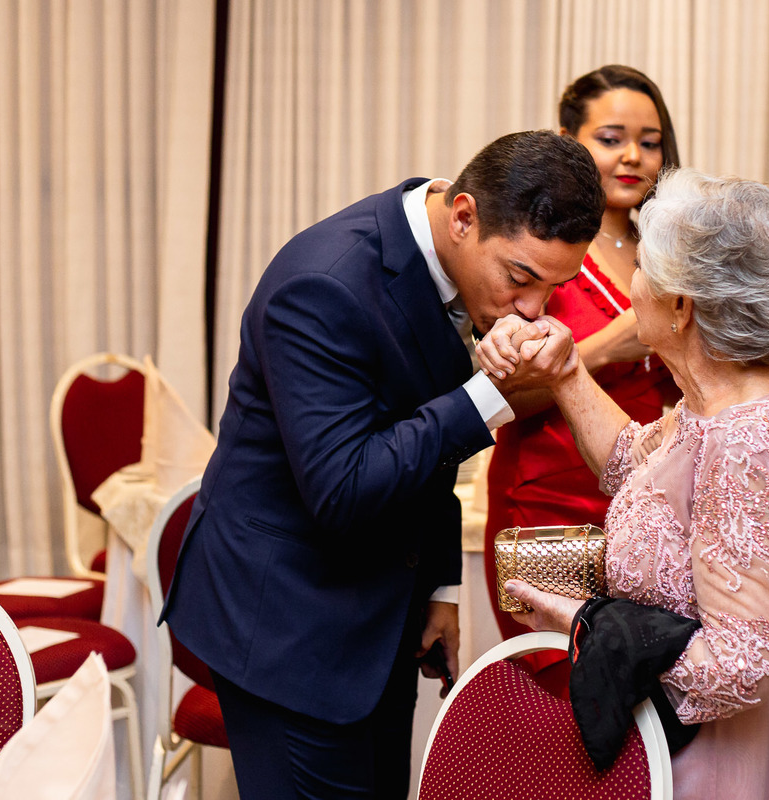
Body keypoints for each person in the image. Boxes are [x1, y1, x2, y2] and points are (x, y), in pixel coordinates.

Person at [159, 130, 604, 799]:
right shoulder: (324, 285)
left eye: (554, 288)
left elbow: (417, 440)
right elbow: (342, 487)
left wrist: (440, 586)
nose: (533, 309)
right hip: (287, 621)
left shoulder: (448, 262)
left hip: (383, 615)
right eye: (520, 278)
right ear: (462, 217)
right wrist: (487, 394)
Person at [477, 168, 769, 798]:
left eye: (644, 268)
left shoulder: (741, 448)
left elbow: (743, 663)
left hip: (724, 757)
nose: (631, 283)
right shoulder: (745, 392)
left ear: (682, 307)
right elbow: (636, 466)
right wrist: (569, 371)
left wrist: (592, 625)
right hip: (736, 736)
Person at [483, 65, 682, 640]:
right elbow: (496, 399)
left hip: (646, 506)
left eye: (649, 143)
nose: (633, 159)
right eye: (611, 139)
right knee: (562, 680)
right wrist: (603, 349)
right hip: (548, 507)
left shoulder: (665, 254)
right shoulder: (543, 251)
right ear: (569, 143)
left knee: (634, 690)